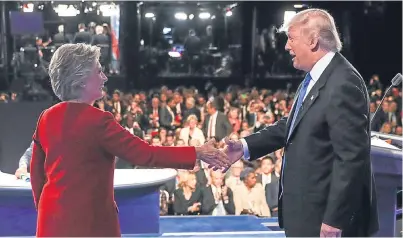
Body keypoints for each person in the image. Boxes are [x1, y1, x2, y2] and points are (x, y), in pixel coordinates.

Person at [30, 43, 229, 237]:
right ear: (81, 80)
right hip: (90, 224)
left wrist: (45, 207)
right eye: (98, 72)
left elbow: (36, 172)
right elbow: (146, 154)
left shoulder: (46, 117)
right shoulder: (99, 121)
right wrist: (197, 152)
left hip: (50, 220)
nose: (105, 77)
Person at [223, 9, 378, 237]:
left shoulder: (342, 83)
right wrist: (244, 146)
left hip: (324, 220)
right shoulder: (317, 76)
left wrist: (335, 219)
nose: (287, 46)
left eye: (292, 38)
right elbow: (292, 125)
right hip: (307, 214)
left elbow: (352, 158)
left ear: (313, 41)